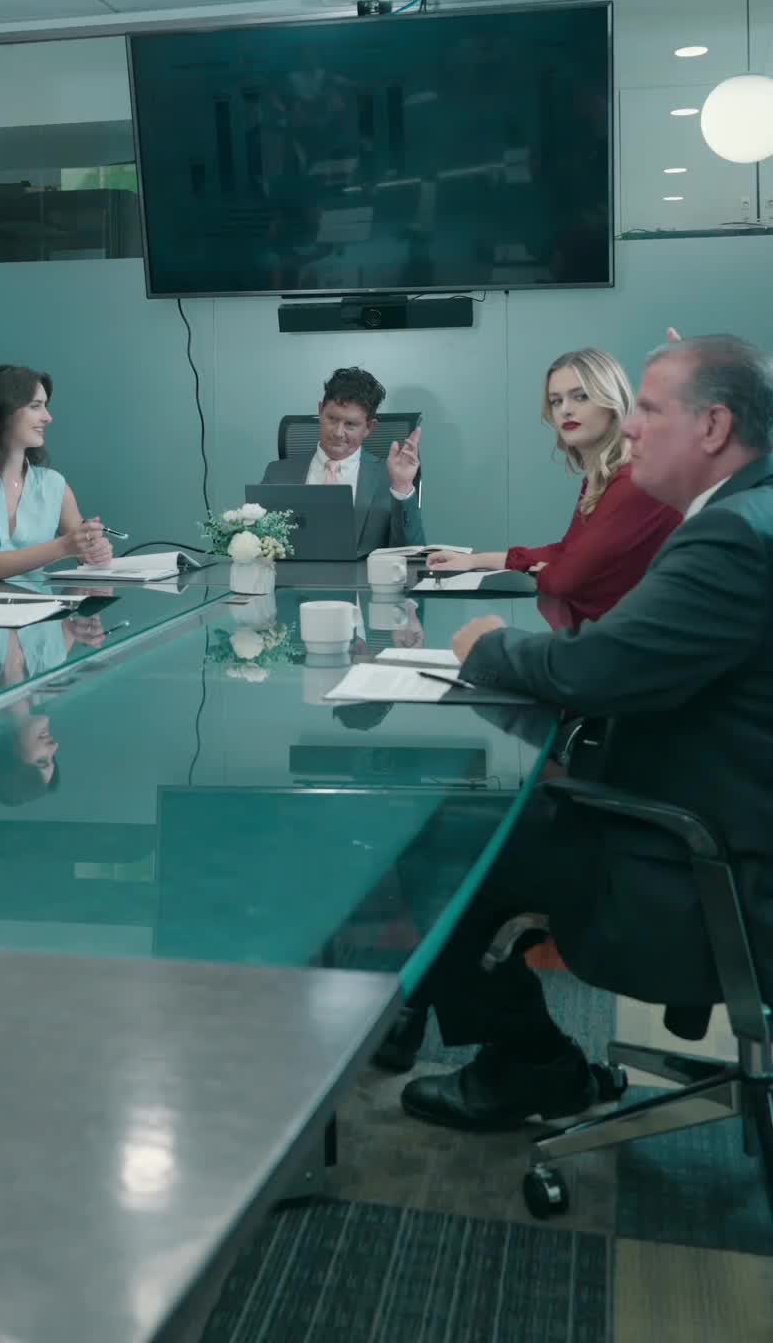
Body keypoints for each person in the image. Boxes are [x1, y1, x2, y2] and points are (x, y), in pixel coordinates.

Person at [395, 334, 773, 1132]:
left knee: (439, 841)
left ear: (712, 427)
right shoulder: (751, 512)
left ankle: (530, 1068)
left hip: (704, 860)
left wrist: (487, 647)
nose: (630, 427)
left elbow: (593, 669)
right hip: (723, 813)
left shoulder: (731, 537)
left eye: (649, 409)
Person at [427, 347, 679, 626]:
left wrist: (548, 572)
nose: (566, 410)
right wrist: (475, 561)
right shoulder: (601, 478)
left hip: (634, 642)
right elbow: (568, 552)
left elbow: (564, 579)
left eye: (580, 396)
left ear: (612, 401)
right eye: (556, 401)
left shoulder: (633, 479)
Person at [0, 364, 113, 583]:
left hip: (36, 603)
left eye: (45, 406)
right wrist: (64, 546)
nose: (48, 417)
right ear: (2, 411)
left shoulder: (54, 486)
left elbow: (85, 551)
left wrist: (95, 551)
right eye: (35, 406)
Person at [261, 365, 425, 555]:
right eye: (332, 419)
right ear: (320, 411)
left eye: (351, 424)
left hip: (363, 574)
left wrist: (402, 487)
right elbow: (258, 544)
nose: (338, 433)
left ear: (369, 428)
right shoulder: (277, 474)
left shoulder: (388, 478)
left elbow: (413, 554)